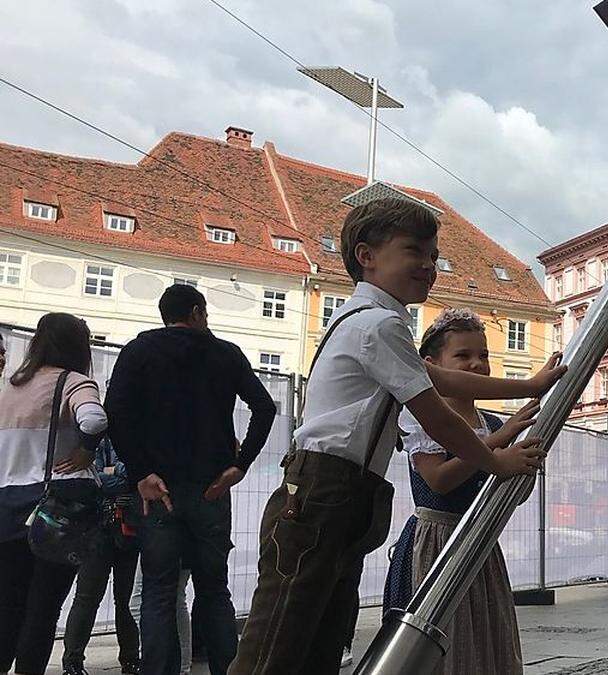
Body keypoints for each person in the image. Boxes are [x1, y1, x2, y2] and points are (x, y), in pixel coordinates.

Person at [231, 198, 564, 675]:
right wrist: (497, 461)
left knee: (317, 635)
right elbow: (435, 414)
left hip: (336, 492)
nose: (428, 266)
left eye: (432, 255)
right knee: (280, 646)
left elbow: (444, 381)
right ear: (366, 255)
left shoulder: (374, 323)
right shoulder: (378, 325)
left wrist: (528, 386)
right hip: (324, 489)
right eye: (414, 251)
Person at [106, 284, 277, 675]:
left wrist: (140, 474)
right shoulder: (225, 353)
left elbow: (115, 413)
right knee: (214, 590)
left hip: (158, 491)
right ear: (198, 311)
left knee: (159, 592)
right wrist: (241, 465)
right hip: (211, 488)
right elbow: (264, 407)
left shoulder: (139, 351)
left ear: (165, 315)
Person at [382, 309, 540, 673]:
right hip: (436, 544)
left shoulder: (494, 421)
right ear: (430, 364)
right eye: (463, 356)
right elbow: (438, 480)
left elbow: (510, 492)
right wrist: (499, 444)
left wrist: (525, 467)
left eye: (483, 355)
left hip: (481, 543)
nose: (477, 364)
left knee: (486, 644)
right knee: (440, 647)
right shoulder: (420, 417)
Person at [0, 313, 105, 674]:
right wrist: (87, 449)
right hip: (53, 512)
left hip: (6, 509)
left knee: (8, 606)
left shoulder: (11, 386)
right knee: (42, 611)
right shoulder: (75, 382)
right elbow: (93, 419)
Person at [61, 437, 141, 675]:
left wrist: (111, 471)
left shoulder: (125, 438)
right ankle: (74, 660)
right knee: (89, 598)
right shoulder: (99, 438)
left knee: (122, 600)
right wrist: (120, 475)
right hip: (103, 527)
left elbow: (133, 475)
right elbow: (92, 478)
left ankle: (129, 659)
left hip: (126, 527)